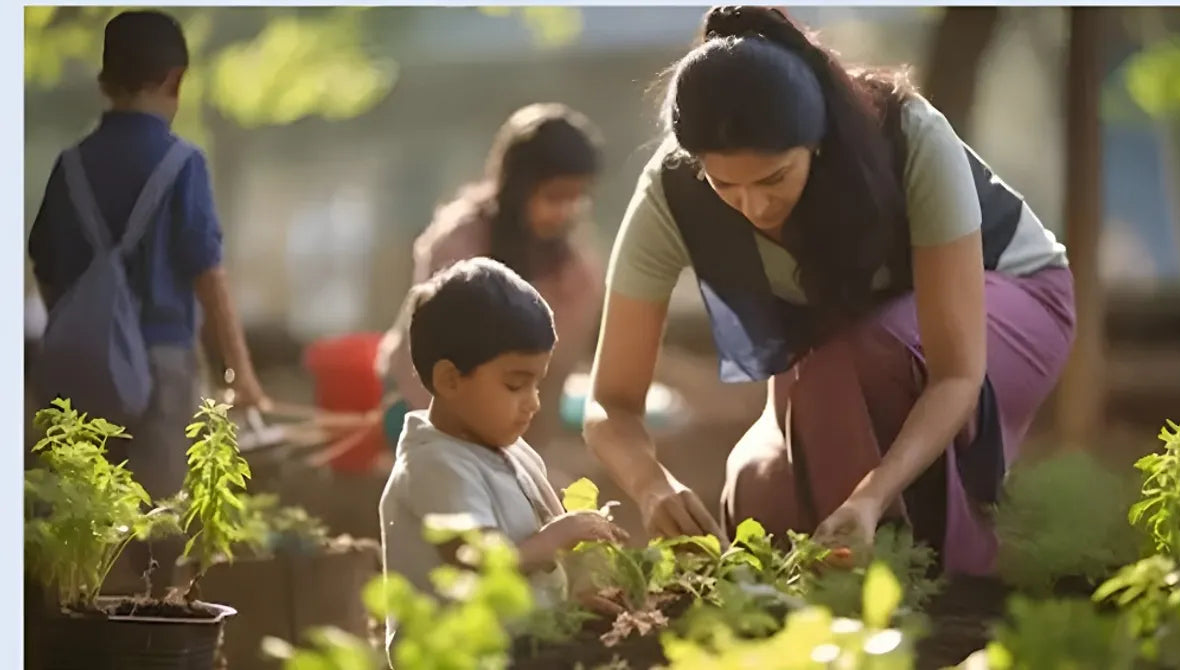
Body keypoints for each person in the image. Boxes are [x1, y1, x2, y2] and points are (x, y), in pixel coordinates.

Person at [582, 7, 1075, 576]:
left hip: (1009, 302)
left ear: (815, 144)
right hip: (849, 340)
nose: (754, 207)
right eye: (726, 186)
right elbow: (608, 403)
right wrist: (651, 487)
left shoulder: (906, 135)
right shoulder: (672, 193)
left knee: (856, 364)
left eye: (773, 178)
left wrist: (870, 494)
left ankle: (936, 591)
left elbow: (956, 374)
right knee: (759, 490)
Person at [26, 10, 268, 591]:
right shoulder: (183, 164)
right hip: (162, 369)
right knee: (159, 525)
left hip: (75, 369)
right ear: (176, 80)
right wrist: (242, 372)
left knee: (78, 522)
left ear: (104, 81)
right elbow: (209, 275)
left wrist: (85, 329)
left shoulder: (70, 165)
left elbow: (46, 265)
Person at [378, 258, 627, 655]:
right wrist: (560, 535)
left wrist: (574, 596)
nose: (532, 403)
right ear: (449, 380)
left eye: (536, 384)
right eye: (515, 385)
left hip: (521, 645)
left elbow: (535, 574)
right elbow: (476, 567)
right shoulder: (433, 465)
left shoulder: (512, 451)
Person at [377, 103, 605, 445]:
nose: (566, 211)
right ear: (518, 187)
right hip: (427, 408)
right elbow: (429, 365)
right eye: (554, 197)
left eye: (576, 197)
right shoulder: (457, 246)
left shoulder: (573, 269)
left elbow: (555, 377)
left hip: (515, 420)